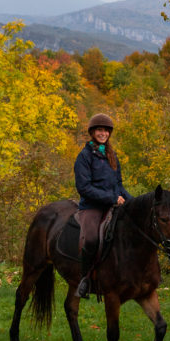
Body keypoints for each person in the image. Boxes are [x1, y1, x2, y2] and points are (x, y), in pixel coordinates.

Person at [74, 113, 131, 299]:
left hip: (113, 205)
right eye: (99, 130)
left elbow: (119, 184)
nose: (103, 133)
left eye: (106, 130)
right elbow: (84, 187)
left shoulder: (112, 155)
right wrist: (112, 198)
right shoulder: (84, 156)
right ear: (92, 132)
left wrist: (133, 202)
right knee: (91, 239)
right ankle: (85, 280)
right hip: (91, 207)